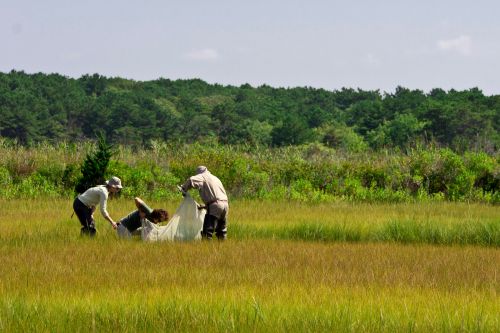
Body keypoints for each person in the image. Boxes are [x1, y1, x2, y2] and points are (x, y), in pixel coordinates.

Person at [180, 166, 229, 240]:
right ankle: (223, 247)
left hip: (216, 206)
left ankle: (206, 249)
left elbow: (191, 180)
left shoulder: (202, 176)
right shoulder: (215, 178)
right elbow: (217, 197)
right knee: (221, 232)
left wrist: (184, 189)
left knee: (207, 233)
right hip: (225, 206)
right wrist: (205, 206)